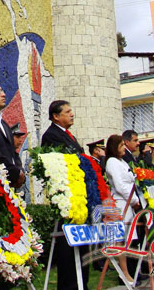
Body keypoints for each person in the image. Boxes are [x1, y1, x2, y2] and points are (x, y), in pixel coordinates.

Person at [41, 100, 88, 290]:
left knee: (82, 246)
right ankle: (70, 286)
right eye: (67, 111)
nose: (72, 114)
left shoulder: (68, 135)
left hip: (78, 195)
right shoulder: (51, 136)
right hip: (66, 198)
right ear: (56, 116)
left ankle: (82, 283)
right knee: (68, 247)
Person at [105, 134, 142, 285]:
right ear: (115, 147)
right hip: (121, 203)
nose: (124, 148)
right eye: (121, 146)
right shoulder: (112, 162)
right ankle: (124, 273)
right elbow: (120, 186)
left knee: (128, 240)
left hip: (128, 203)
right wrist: (134, 200)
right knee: (121, 240)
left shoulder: (121, 161)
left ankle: (130, 272)